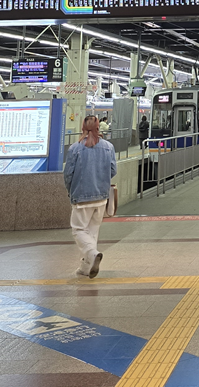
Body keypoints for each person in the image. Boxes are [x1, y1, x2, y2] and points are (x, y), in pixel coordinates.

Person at [63, 115, 117, 278]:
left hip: (81, 197)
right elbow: (113, 170)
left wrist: (70, 190)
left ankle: (92, 253)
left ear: (82, 128)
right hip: (101, 197)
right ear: (98, 129)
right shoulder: (108, 147)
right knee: (92, 232)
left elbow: (68, 175)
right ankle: (86, 267)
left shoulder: (75, 148)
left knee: (79, 230)